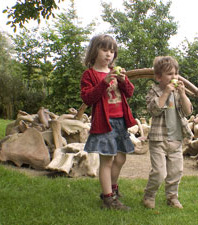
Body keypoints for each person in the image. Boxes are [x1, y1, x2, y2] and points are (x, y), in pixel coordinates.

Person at [80, 34, 136, 210]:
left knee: (120, 158)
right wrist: (104, 82)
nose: (108, 54)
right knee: (107, 160)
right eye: (104, 50)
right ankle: (108, 198)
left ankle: (112, 188)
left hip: (120, 121)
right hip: (104, 122)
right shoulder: (89, 74)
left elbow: (129, 93)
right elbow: (88, 98)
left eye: (112, 51)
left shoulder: (115, 72)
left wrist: (123, 80)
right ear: (94, 51)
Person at [143, 56, 193, 209]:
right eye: (170, 74)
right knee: (159, 172)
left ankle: (172, 197)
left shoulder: (178, 92)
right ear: (159, 77)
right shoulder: (154, 91)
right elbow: (154, 110)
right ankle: (149, 195)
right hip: (159, 139)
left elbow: (188, 111)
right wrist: (165, 93)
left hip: (176, 138)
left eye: (176, 73)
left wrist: (183, 94)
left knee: (176, 172)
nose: (174, 77)